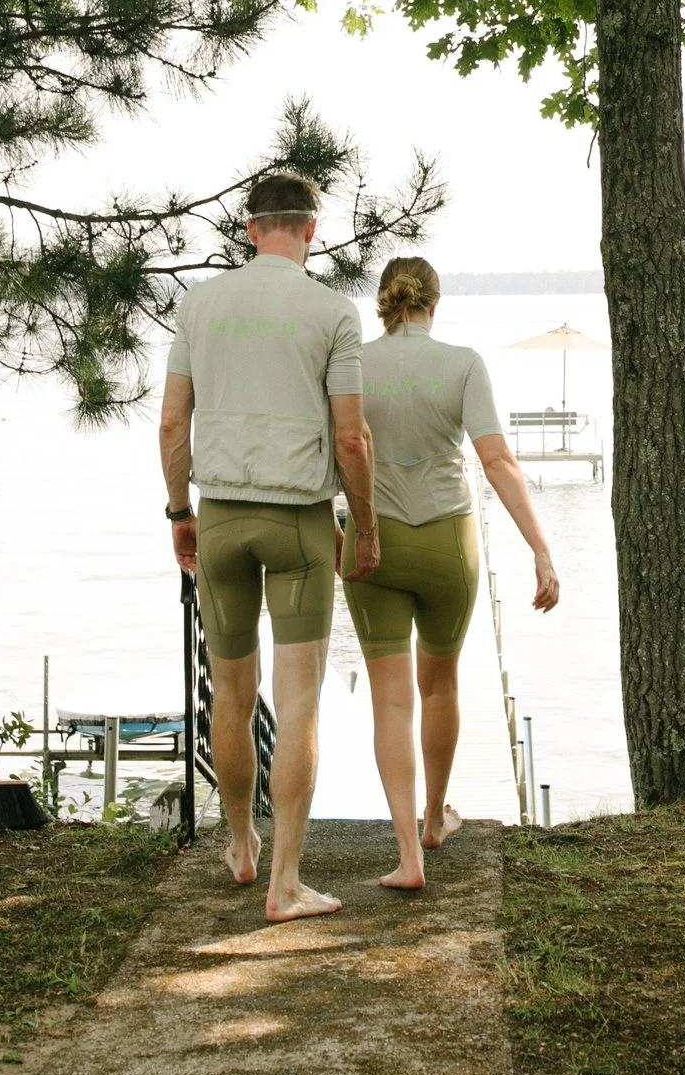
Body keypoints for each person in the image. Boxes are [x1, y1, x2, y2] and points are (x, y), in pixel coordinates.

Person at [158, 172, 380, 922]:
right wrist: (365, 525)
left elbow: (172, 425)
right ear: (311, 230)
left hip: (220, 517)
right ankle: (285, 884)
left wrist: (180, 512)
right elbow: (351, 437)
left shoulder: (199, 304)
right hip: (299, 524)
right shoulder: (332, 312)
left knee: (229, 693)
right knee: (299, 702)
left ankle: (240, 843)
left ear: (250, 229)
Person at [347, 255, 559, 890]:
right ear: (434, 305)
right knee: (439, 685)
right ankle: (435, 817)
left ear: (383, 303)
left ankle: (406, 855)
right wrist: (540, 550)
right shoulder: (463, 363)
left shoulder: (351, 363)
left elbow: (336, 450)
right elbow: (497, 461)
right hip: (447, 542)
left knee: (391, 700)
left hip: (373, 542)